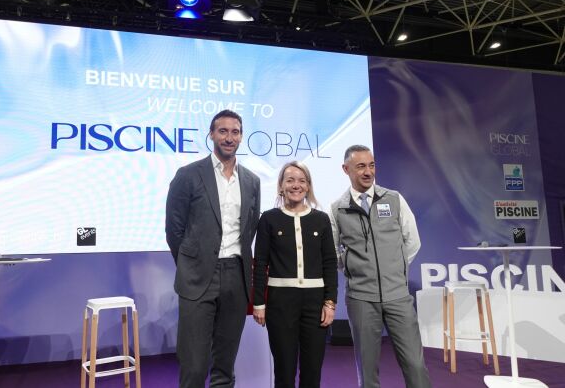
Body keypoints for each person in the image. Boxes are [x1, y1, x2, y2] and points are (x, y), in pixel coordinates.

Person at [165, 109, 261, 388]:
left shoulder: (251, 181)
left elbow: (249, 228)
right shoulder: (188, 175)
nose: (229, 137)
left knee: (225, 365)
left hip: (237, 276)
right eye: (223, 131)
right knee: (194, 366)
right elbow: (174, 230)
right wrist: (189, 263)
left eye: (235, 132)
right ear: (211, 135)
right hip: (198, 277)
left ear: (241, 136)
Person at [330, 145, 431, 388]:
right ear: (346, 170)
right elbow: (332, 252)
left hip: (397, 295)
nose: (368, 172)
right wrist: (354, 267)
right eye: (361, 166)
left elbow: (412, 241)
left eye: (371, 165)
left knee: (415, 365)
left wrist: (393, 267)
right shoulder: (337, 208)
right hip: (361, 298)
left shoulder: (394, 199)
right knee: (367, 370)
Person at [253, 161, 337, 388]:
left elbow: (330, 262)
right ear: (281, 186)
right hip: (281, 303)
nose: (296, 185)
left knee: (312, 369)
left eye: (302, 180)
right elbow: (260, 263)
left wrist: (330, 302)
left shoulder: (321, 219)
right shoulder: (269, 219)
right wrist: (258, 302)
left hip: (314, 302)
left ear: (308, 186)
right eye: (290, 180)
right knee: (284, 369)